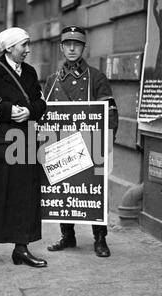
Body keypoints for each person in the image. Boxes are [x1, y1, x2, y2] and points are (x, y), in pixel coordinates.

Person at [0, 27, 47, 268]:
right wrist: (8, 111)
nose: (27, 50)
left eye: (28, 44)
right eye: (23, 45)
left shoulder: (31, 72)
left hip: (25, 141)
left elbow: (40, 102)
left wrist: (29, 111)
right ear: (8, 48)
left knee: (26, 194)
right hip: (1, 142)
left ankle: (22, 249)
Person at [43, 26, 119, 258]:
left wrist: (104, 142)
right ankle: (68, 235)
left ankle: (100, 238)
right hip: (60, 146)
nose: (72, 48)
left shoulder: (96, 77)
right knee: (63, 191)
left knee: (94, 193)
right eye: (68, 44)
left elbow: (111, 114)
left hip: (90, 146)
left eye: (77, 44)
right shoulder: (52, 80)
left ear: (84, 47)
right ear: (61, 48)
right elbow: (44, 114)